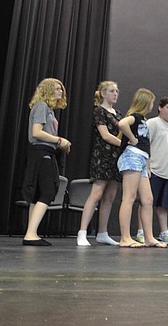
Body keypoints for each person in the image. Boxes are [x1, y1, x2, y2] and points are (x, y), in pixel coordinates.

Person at [22, 78, 71, 246]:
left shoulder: (48, 109)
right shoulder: (42, 106)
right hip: (41, 152)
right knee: (48, 192)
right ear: (48, 90)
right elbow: (37, 132)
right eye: (57, 89)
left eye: (61, 89)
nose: (60, 92)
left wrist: (59, 144)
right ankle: (30, 234)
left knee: (37, 194)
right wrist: (59, 140)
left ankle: (31, 232)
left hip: (45, 151)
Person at [134, 96, 168, 246]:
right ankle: (141, 232)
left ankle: (164, 233)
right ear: (160, 108)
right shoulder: (152, 123)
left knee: (164, 205)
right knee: (146, 202)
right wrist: (147, 166)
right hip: (154, 171)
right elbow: (144, 145)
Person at [116, 88, 166, 248]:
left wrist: (148, 165)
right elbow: (122, 123)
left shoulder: (143, 120)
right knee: (129, 197)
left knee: (148, 199)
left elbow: (146, 145)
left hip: (142, 159)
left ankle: (149, 237)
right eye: (151, 101)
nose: (152, 104)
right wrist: (132, 138)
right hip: (132, 156)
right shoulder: (135, 117)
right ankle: (125, 237)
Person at [76, 81, 122, 247]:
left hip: (115, 158)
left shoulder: (118, 114)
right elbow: (106, 135)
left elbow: (121, 133)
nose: (116, 93)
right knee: (96, 194)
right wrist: (125, 144)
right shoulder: (99, 111)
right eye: (112, 91)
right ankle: (82, 232)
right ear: (103, 93)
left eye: (117, 91)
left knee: (110, 196)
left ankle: (102, 233)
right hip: (102, 156)